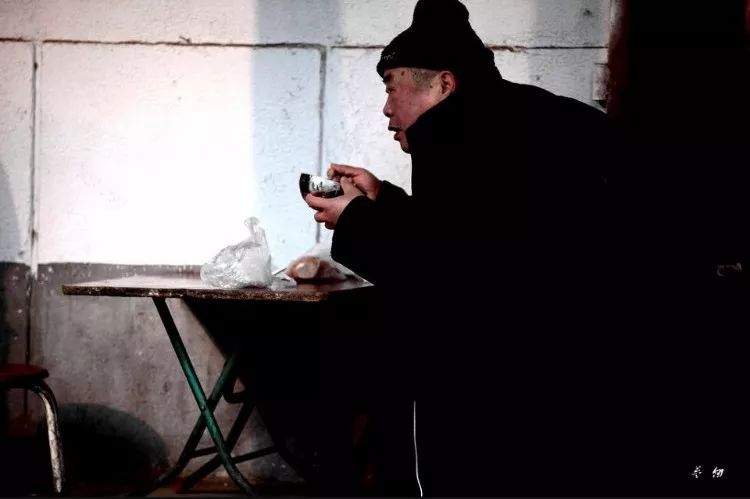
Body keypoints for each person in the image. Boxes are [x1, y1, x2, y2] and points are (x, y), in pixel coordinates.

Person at [303, 0, 700, 495]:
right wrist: (384, 198)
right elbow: (471, 236)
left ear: (444, 85)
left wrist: (355, 218)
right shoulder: (519, 118)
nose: (386, 109)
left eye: (390, 87)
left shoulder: (459, 136)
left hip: (516, 397)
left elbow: (448, 275)